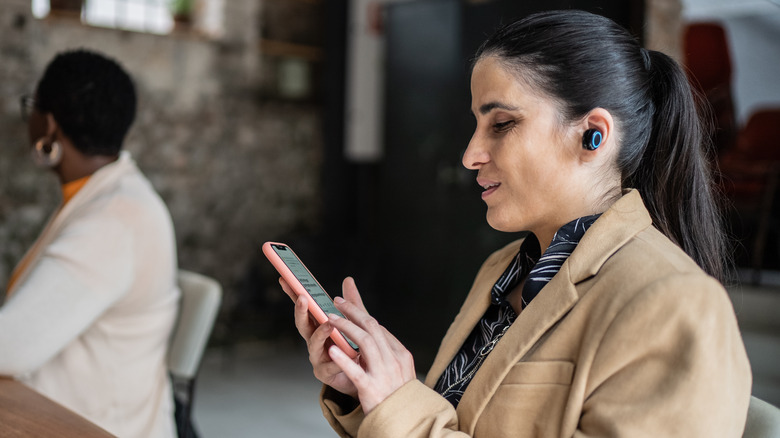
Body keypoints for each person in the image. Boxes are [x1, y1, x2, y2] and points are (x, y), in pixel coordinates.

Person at [280, 10, 753, 437]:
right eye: (476, 125)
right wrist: (365, 392)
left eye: (501, 124)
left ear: (593, 136)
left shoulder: (677, 305)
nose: (469, 155)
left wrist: (399, 405)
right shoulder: (502, 269)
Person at [0, 49, 179, 438]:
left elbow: (8, 348)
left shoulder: (114, 221)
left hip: (96, 427)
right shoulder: (105, 197)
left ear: (48, 124)